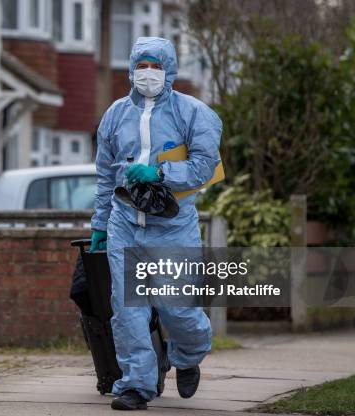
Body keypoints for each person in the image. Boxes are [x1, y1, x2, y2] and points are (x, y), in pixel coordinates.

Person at [91, 37, 222, 411]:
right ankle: (136, 384)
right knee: (127, 307)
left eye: (156, 66)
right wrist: (100, 224)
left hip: (173, 224)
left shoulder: (194, 113)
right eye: (142, 65)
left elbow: (203, 167)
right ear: (131, 69)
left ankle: (188, 354)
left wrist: (159, 172)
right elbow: (104, 176)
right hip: (125, 222)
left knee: (177, 307)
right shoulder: (115, 115)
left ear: (170, 71)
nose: (148, 73)